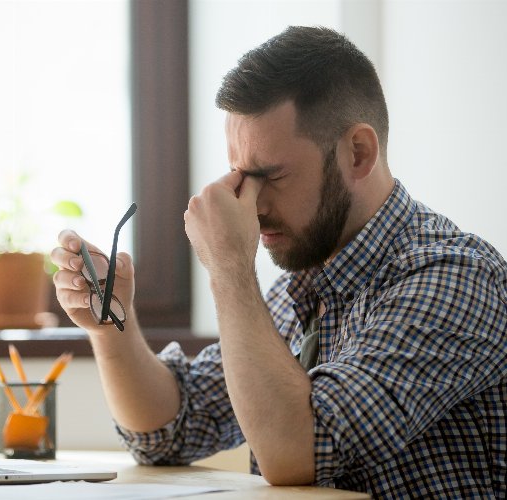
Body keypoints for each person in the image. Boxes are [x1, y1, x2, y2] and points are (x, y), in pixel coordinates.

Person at [50, 26, 507, 497]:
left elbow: (299, 452)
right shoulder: (305, 287)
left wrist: (229, 267)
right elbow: (168, 429)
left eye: (271, 175)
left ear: (359, 153)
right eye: (240, 178)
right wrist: (109, 327)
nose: (251, 203)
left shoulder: (455, 276)